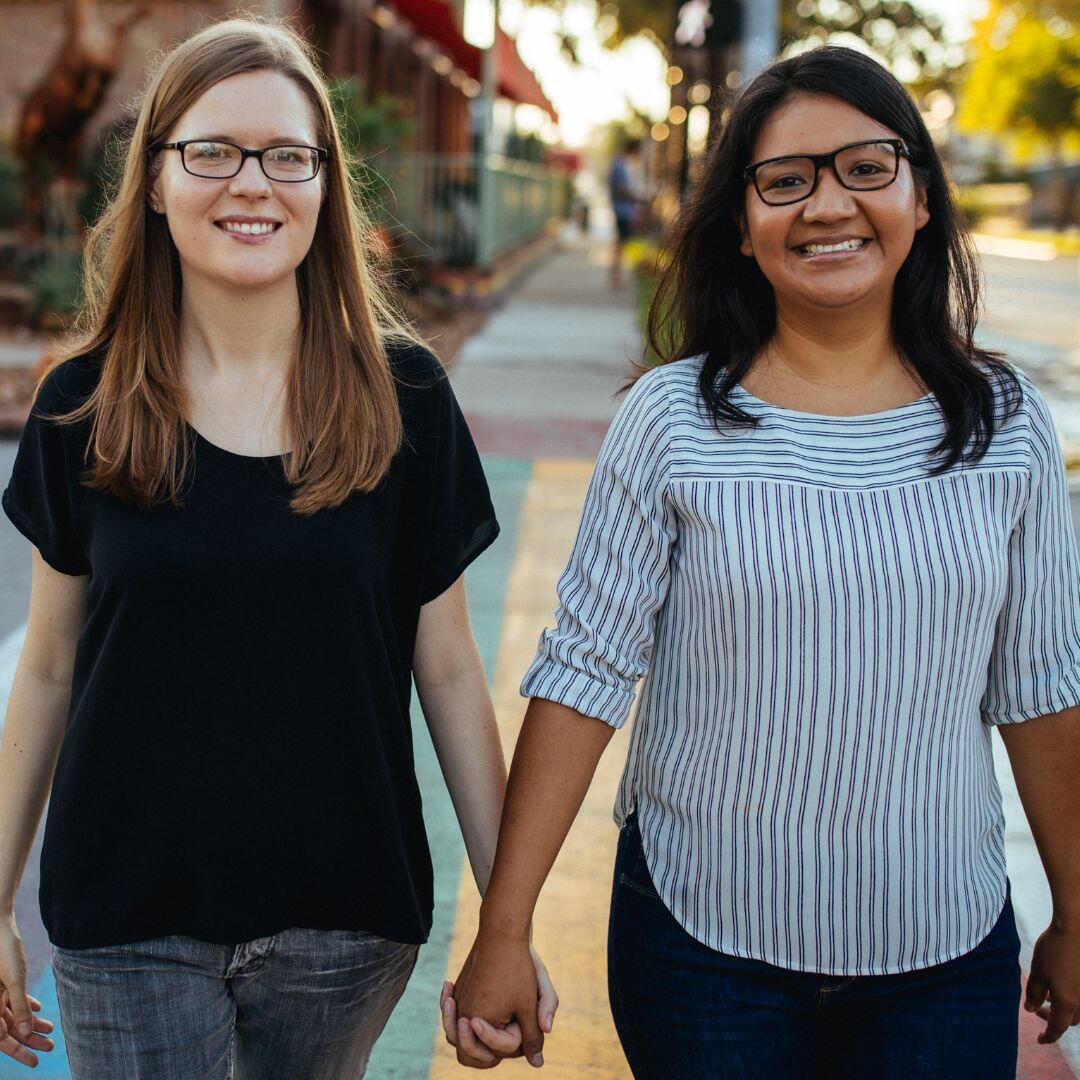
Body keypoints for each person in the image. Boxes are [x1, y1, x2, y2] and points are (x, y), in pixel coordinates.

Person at [444, 45, 1080, 1078]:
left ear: (922, 197)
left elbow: (1042, 687)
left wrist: (1075, 906)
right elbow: (584, 675)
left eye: (866, 168)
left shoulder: (1002, 426)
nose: (827, 205)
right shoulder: (671, 420)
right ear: (742, 227)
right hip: (700, 958)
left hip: (943, 957)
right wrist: (504, 932)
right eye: (785, 181)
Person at [0, 18, 555, 1077]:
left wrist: (507, 925)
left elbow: (446, 669)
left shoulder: (405, 400)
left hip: (343, 922)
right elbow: (51, 665)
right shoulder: (85, 402)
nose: (252, 182)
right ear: (156, 180)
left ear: (323, 186)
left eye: (287, 156)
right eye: (212, 151)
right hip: (126, 917)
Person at [608, 139, 645, 288]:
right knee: (624, 243)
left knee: (620, 243)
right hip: (622, 210)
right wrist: (638, 198)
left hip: (623, 209)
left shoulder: (621, 163)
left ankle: (616, 277)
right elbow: (621, 189)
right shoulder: (620, 165)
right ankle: (617, 278)